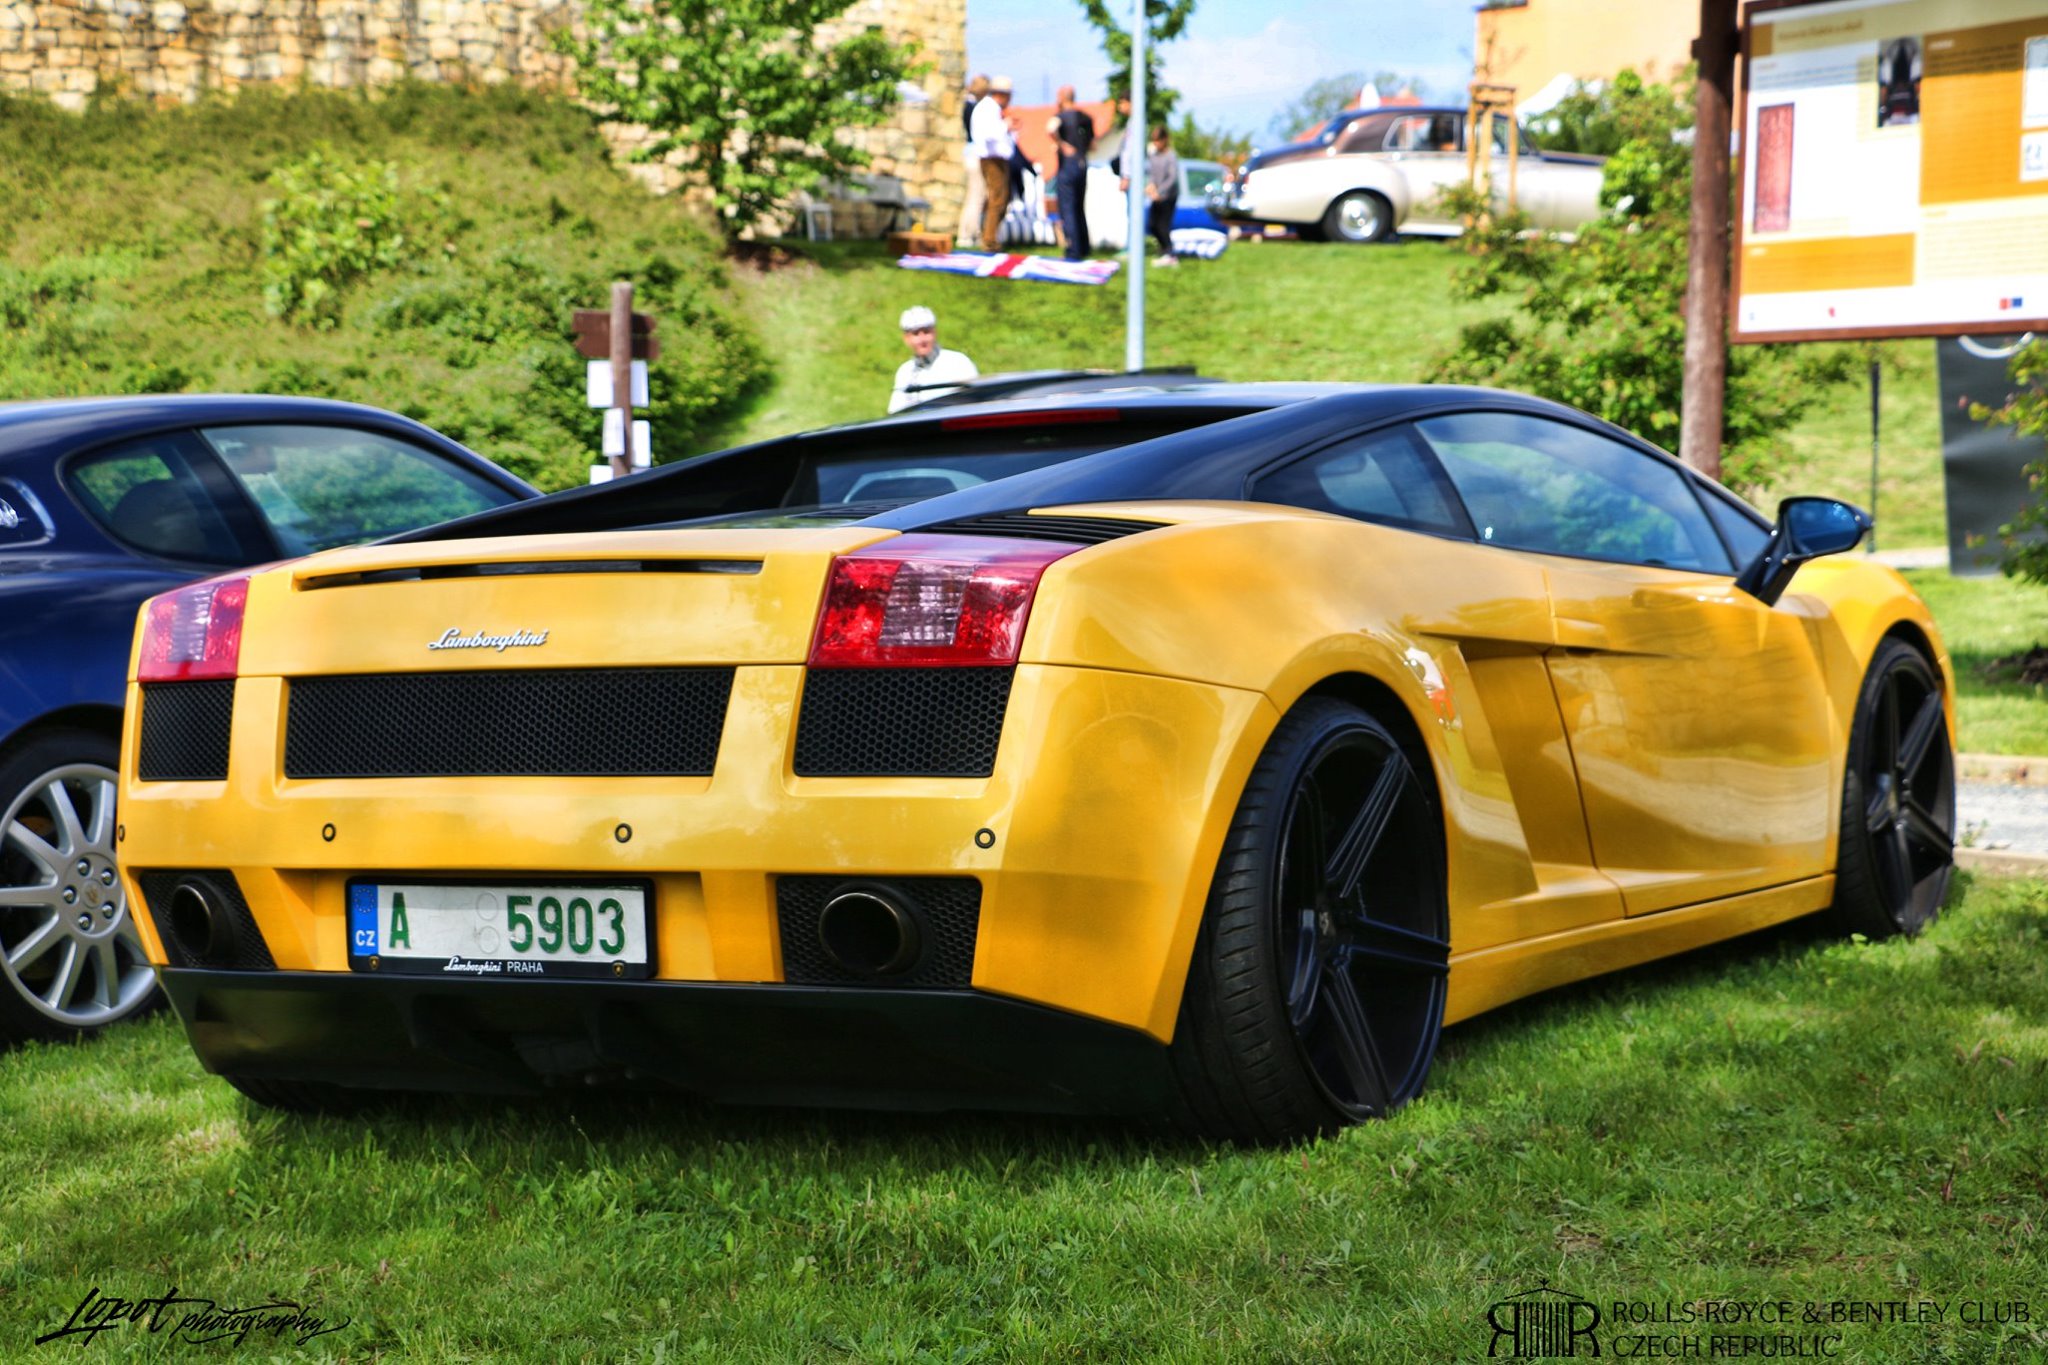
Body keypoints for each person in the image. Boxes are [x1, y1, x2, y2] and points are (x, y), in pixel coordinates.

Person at [888, 306, 979, 413]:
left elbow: (974, 403)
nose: (922, 340)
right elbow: (895, 412)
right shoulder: (905, 371)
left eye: (926, 332)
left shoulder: (958, 362)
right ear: (907, 339)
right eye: (916, 334)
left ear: (934, 333)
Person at [1120, 124, 1179, 266]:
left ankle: (1170, 253)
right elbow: (1152, 174)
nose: (1156, 143)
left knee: (1163, 226)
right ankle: (1163, 250)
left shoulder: (1170, 156)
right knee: (1152, 225)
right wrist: (1151, 186)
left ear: (1164, 139)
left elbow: (1172, 178)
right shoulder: (1153, 155)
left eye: (1158, 140)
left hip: (1168, 196)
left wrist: (1161, 192)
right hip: (1155, 195)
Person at [969, 76, 1017, 251]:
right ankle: (989, 239)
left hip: (997, 159)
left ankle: (989, 236)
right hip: (992, 159)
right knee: (997, 199)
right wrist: (1006, 126)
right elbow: (988, 133)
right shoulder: (988, 108)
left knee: (1002, 198)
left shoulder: (990, 108)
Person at [1051, 85, 1094, 261]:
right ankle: (1084, 248)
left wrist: (1061, 144)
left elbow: (1050, 128)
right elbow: (1093, 144)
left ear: (1062, 97)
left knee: (1067, 208)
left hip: (1068, 166)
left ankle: (1073, 251)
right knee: (1079, 207)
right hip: (1082, 163)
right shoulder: (1085, 117)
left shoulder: (1060, 117)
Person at [955, 75, 989, 249]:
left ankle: (966, 234)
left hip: (970, 153)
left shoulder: (969, 105)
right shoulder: (974, 107)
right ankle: (969, 235)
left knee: (973, 197)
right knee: (976, 197)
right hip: (975, 154)